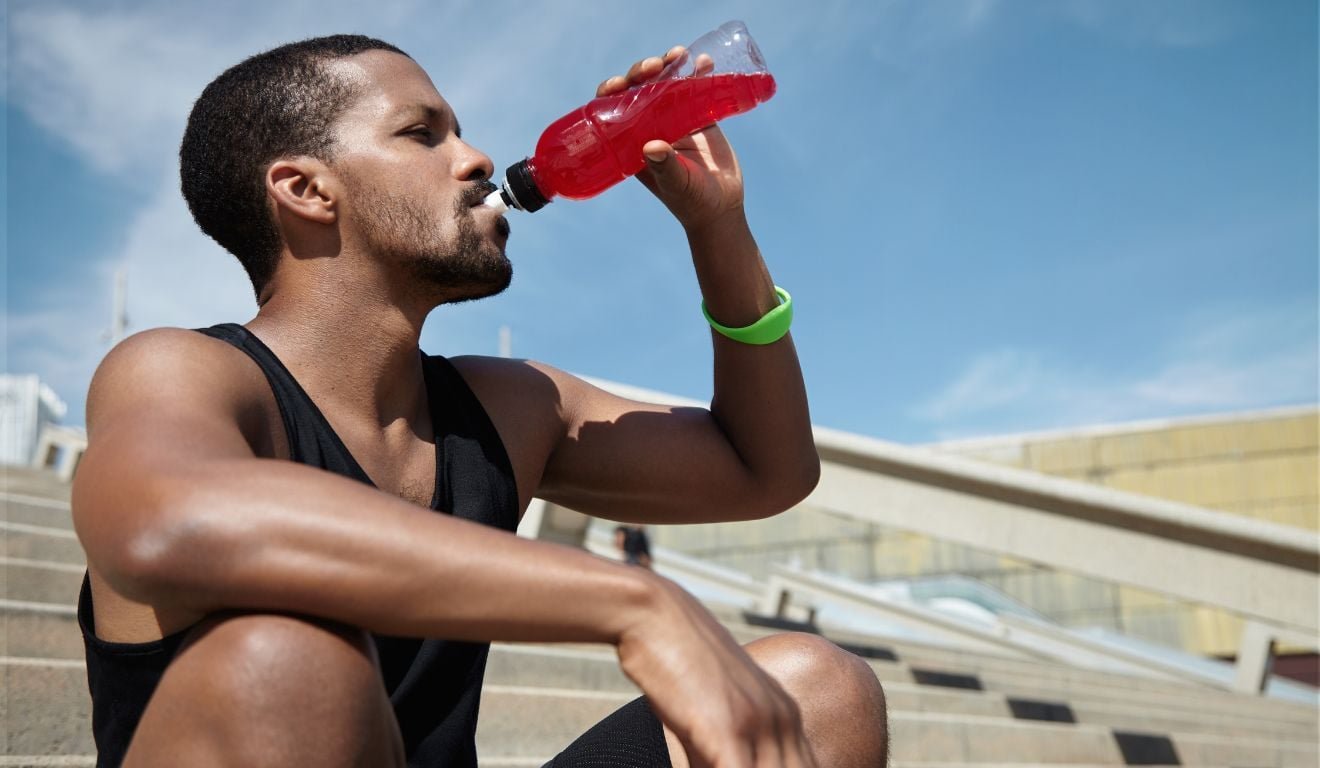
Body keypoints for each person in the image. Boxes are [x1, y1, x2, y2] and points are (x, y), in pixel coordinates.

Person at [71, 34, 888, 768]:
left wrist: (718, 227)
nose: (477, 158)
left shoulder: (507, 408)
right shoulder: (184, 370)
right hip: (264, 722)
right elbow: (164, 523)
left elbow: (766, 470)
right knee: (281, 667)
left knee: (820, 688)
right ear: (307, 190)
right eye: (422, 134)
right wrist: (634, 602)